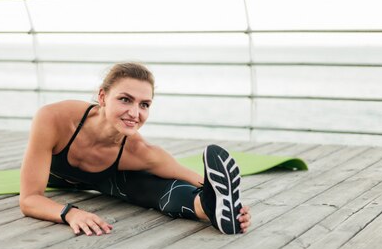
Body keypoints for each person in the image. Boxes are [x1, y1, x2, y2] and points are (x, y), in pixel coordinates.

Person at [19, 62, 251, 236]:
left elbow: (194, 177)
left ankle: (208, 207)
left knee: (154, 187)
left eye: (144, 105)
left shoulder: (140, 150)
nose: (134, 113)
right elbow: (29, 199)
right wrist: (71, 213)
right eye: (125, 99)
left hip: (105, 180)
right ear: (102, 96)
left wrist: (234, 206)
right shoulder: (54, 119)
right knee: (133, 182)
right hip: (55, 177)